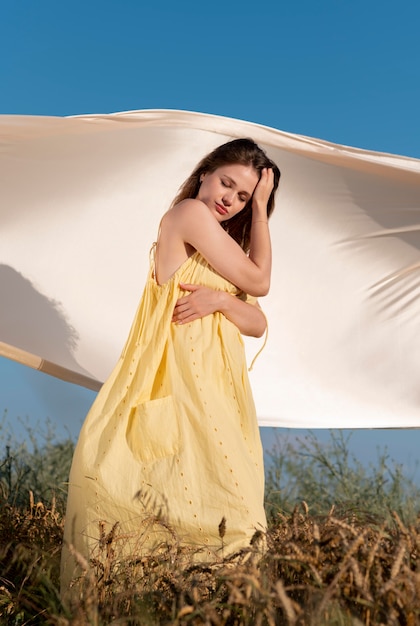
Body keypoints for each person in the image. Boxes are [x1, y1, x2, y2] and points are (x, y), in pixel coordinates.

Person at [60, 138, 281, 594]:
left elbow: (257, 321)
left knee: (231, 512)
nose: (230, 199)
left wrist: (221, 300)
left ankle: (208, 607)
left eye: (243, 196)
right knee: (172, 512)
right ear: (205, 173)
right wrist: (260, 208)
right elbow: (259, 281)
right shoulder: (189, 216)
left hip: (216, 399)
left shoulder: (223, 251)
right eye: (227, 183)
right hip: (179, 391)